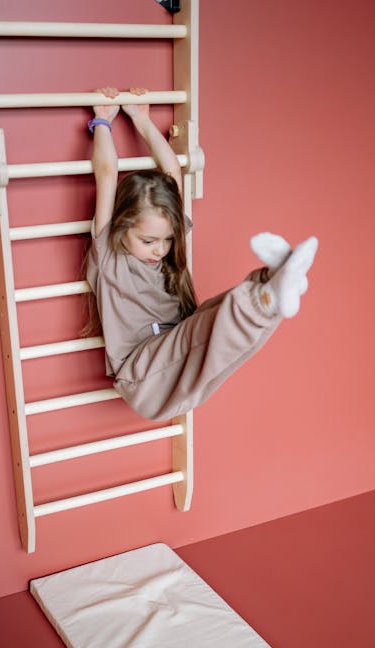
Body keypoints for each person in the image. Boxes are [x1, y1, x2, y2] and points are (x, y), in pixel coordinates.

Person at [85, 87, 318, 421]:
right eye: (149, 241)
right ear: (122, 228)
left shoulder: (165, 257)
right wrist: (102, 122)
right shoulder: (110, 254)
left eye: (166, 240)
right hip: (141, 377)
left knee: (213, 318)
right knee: (197, 331)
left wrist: (142, 119)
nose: (160, 250)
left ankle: (270, 287)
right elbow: (106, 173)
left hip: (175, 367)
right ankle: (264, 297)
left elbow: (172, 175)